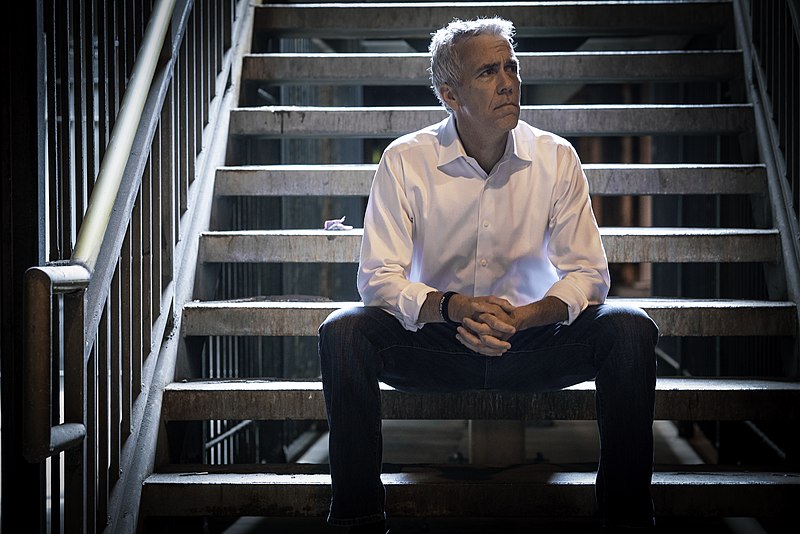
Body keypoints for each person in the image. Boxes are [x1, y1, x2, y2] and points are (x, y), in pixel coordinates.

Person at [319, 17, 659, 533]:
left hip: (533, 342)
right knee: (342, 332)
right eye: (487, 73)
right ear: (449, 94)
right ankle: (357, 519)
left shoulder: (555, 157)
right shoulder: (405, 161)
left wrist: (524, 317)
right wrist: (453, 307)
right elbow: (378, 279)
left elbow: (588, 273)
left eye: (511, 67)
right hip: (436, 343)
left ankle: (626, 518)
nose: (507, 82)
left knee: (631, 327)